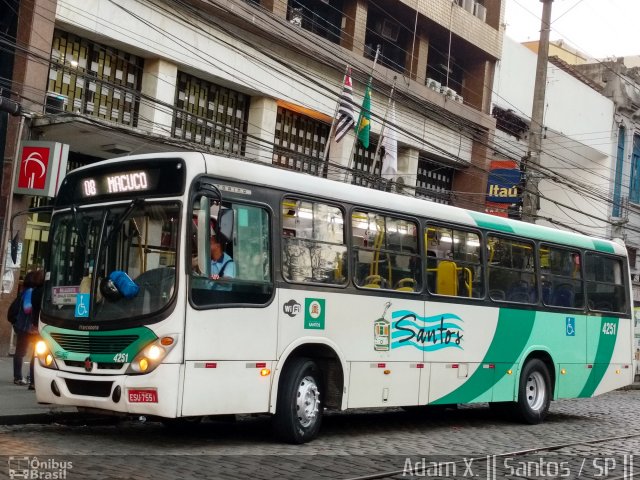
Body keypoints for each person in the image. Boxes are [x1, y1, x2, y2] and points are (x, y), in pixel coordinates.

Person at [13, 270, 44, 389]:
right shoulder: (31, 292)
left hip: (26, 326)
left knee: (24, 352)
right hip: (28, 326)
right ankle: (22, 377)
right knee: (25, 353)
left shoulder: (26, 291)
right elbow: (27, 309)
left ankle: (24, 377)